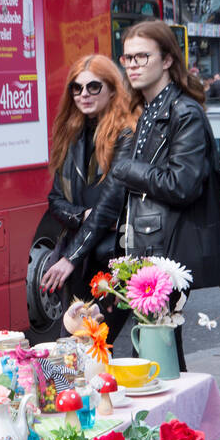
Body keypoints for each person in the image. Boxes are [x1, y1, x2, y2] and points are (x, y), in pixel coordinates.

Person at [109, 20, 220, 366]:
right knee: (153, 353)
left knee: (155, 356)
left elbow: (183, 184)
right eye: (128, 58)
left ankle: (172, 421)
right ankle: (171, 421)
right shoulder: (144, 111)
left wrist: (127, 169)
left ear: (167, 61)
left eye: (142, 57)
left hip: (168, 249)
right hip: (142, 247)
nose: (132, 65)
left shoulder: (184, 112)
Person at [40, 54, 137, 308]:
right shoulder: (70, 134)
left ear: (113, 90)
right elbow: (55, 201)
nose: (84, 94)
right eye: (77, 87)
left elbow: (110, 205)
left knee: (95, 339)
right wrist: (83, 216)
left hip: (111, 258)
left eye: (94, 86)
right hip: (81, 258)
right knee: (79, 340)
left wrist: (70, 258)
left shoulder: (125, 134)